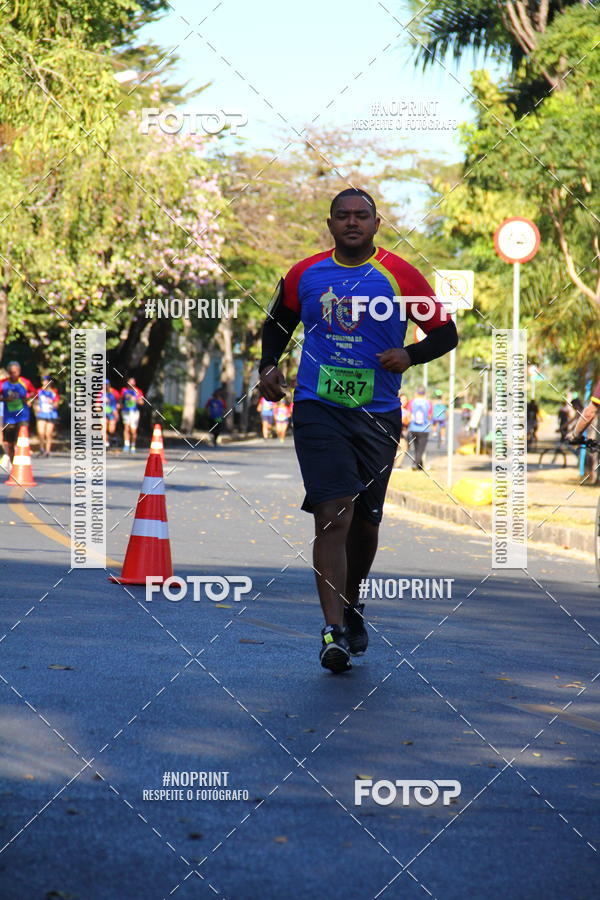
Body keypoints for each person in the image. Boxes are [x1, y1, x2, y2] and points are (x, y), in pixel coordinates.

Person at [258, 187, 458, 672]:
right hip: (317, 406)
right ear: (330, 223)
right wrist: (268, 367)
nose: (352, 223)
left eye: (361, 216)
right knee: (333, 513)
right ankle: (331, 630)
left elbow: (446, 333)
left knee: (366, 521)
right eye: (343, 216)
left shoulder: (400, 274)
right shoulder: (304, 273)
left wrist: (410, 355)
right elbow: (277, 323)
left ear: (376, 223)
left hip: (378, 413)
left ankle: (352, 606)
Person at [0, 361, 36, 463]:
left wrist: (28, 398)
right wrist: (5, 399)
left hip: (23, 416)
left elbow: (34, 393)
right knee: (10, 443)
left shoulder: (25, 382)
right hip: (9, 417)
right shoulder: (3, 384)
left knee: (20, 440)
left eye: (15, 372)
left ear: (19, 372)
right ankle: (13, 464)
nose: (13, 374)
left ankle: (21, 463)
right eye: (11, 372)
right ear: (8, 372)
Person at [407, 386, 433, 470]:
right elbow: (430, 416)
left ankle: (419, 466)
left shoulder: (412, 402)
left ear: (416, 392)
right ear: (425, 393)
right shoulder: (428, 403)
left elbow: (408, 414)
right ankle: (415, 464)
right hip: (424, 429)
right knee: (421, 449)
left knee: (417, 448)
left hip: (413, 428)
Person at [35, 375, 60, 457]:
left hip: (51, 414)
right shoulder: (39, 391)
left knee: (48, 434)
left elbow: (57, 404)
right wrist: (36, 407)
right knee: (40, 432)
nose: (44, 382)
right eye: (43, 381)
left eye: (46, 381)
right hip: (42, 413)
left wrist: (52, 402)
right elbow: (35, 401)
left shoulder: (54, 392)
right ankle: (41, 449)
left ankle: (47, 451)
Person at [120, 377, 145, 453]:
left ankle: (133, 445)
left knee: (133, 430)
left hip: (134, 412)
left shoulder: (138, 391)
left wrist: (136, 399)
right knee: (126, 428)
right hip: (126, 411)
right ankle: (126, 445)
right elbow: (121, 399)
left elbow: (142, 402)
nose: (131, 384)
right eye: (130, 382)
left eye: (133, 382)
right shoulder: (124, 390)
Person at [393, 392, 411, 468]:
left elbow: (408, 422)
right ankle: (396, 465)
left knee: (404, 448)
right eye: (402, 399)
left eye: (405, 400)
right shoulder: (396, 409)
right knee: (403, 448)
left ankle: (397, 465)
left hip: (403, 432)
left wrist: (408, 419)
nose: (404, 401)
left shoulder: (406, 411)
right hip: (396, 432)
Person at [102, 379, 120, 449]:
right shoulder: (99, 393)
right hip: (103, 413)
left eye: (106, 384)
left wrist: (117, 410)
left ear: (109, 385)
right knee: (103, 428)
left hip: (112, 413)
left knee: (111, 430)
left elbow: (119, 401)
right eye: (103, 385)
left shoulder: (114, 392)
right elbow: (96, 403)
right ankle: (106, 443)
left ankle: (114, 438)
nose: (105, 386)